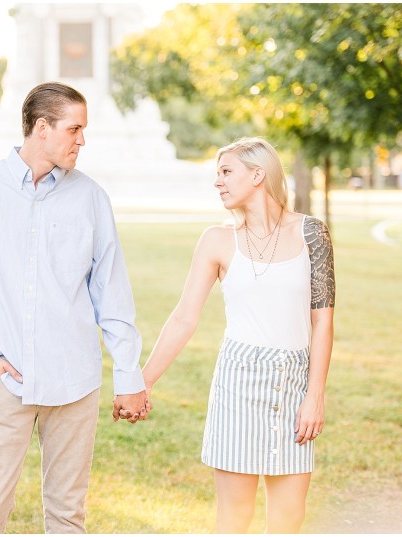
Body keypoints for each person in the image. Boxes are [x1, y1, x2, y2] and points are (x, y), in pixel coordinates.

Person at [0, 81, 148, 534]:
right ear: (42, 128)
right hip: (6, 382)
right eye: (75, 129)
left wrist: (128, 375)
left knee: (68, 515)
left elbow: (112, 294)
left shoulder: (91, 198)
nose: (81, 140)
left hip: (75, 383)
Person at [141, 137, 335, 533]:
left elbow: (323, 321)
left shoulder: (312, 233)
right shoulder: (217, 240)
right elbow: (183, 318)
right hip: (237, 385)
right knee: (234, 518)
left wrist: (314, 396)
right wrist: (142, 383)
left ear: (258, 174)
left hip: (293, 385)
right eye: (218, 174)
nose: (218, 182)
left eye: (226, 172)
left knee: (288, 518)